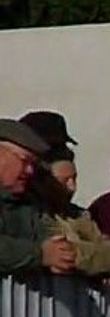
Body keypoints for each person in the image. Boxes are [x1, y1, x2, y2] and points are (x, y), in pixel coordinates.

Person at [18, 112, 110, 278]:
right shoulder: (24, 212)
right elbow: (66, 254)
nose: (72, 188)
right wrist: (107, 259)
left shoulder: (77, 215)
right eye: (64, 181)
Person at [0, 118, 76, 275]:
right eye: (25, 161)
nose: (29, 171)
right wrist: (40, 254)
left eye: (33, 164)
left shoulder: (29, 205)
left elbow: (57, 244)